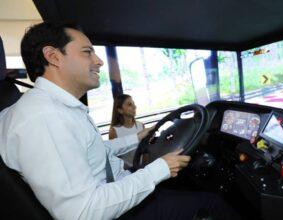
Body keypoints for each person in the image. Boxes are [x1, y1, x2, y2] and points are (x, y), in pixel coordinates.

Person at [0, 21, 240, 220]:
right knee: (212, 204)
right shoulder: (44, 118)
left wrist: (136, 139)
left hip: (116, 192)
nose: (99, 61)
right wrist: (160, 169)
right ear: (53, 56)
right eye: (87, 52)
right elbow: (81, 212)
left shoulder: (55, 109)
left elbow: (89, 152)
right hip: (115, 213)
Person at [109, 94, 144, 167]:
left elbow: (145, 149)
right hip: (126, 173)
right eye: (130, 104)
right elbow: (114, 156)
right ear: (120, 110)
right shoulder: (114, 131)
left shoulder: (141, 125)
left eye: (133, 103)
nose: (135, 107)